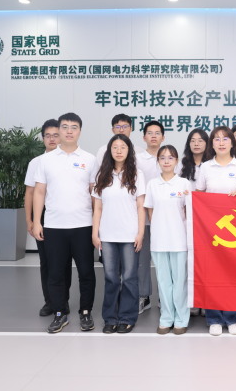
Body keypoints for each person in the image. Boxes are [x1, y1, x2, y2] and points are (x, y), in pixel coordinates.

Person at [32, 113, 97, 334]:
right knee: (56, 273)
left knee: (86, 272)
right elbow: (39, 192)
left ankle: (86, 312)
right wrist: (37, 222)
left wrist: (97, 225)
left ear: (80, 131)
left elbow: (95, 194)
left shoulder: (90, 159)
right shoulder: (46, 160)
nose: (69, 131)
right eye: (65, 127)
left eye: (74, 127)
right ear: (59, 130)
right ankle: (60, 313)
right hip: (54, 226)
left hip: (83, 225)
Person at [195, 126, 236, 336]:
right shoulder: (205, 167)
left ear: (232, 143)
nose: (221, 143)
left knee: (233, 274)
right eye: (217, 139)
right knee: (212, 275)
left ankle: (232, 317)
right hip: (210, 231)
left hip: (235, 229)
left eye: (225, 139)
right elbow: (199, 196)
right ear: (212, 144)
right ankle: (214, 319)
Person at [92, 134, 145, 334]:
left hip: (130, 235)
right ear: (109, 151)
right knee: (111, 278)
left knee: (129, 277)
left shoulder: (137, 174)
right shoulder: (102, 175)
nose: (119, 150)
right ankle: (110, 318)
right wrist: (95, 233)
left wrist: (140, 233)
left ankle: (127, 318)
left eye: (123, 147)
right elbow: (97, 208)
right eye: (115, 147)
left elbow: (140, 206)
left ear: (129, 150)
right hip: (107, 235)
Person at [24, 119, 71, 317]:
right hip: (42, 215)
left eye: (55, 135)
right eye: (47, 135)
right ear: (43, 138)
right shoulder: (36, 162)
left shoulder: (68, 160)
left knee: (64, 261)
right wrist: (31, 221)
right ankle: (50, 302)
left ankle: (63, 300)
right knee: (46, 261)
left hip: (62, 215)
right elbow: (30, 193)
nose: (52, 139)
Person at [145, 145, 192, 335]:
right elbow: (150, 211)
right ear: (158, 161)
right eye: (162, 158)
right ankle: (166, 318)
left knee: (180, 282)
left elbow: (188, 212)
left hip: (179, 240)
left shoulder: (184, 184)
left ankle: (181, 319)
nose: (166, 161)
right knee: (163, 282)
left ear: (176, 161)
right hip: (159, 240)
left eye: (170, 158)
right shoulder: (152, 184)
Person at [135, 120, 166, 314]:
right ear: (144, 137)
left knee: (164, 260)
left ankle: (164, 297)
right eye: (150, 133)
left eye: (157, 133)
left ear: (163, 137)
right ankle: (143, 296)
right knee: (142, 260)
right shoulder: (137, 159)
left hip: (165, 220)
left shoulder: (169, 157)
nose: (154, 136)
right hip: (143, 219)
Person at [179, 128, 210, 317]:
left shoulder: (212, 165)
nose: (196, 143)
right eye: (192, 140)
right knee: (188, 261)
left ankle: (205, 300)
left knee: (205, 261)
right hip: (185, 219)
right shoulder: (181, 166)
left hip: (206, 222)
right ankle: (191, 300)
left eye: (200, 140)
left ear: (207, 143)